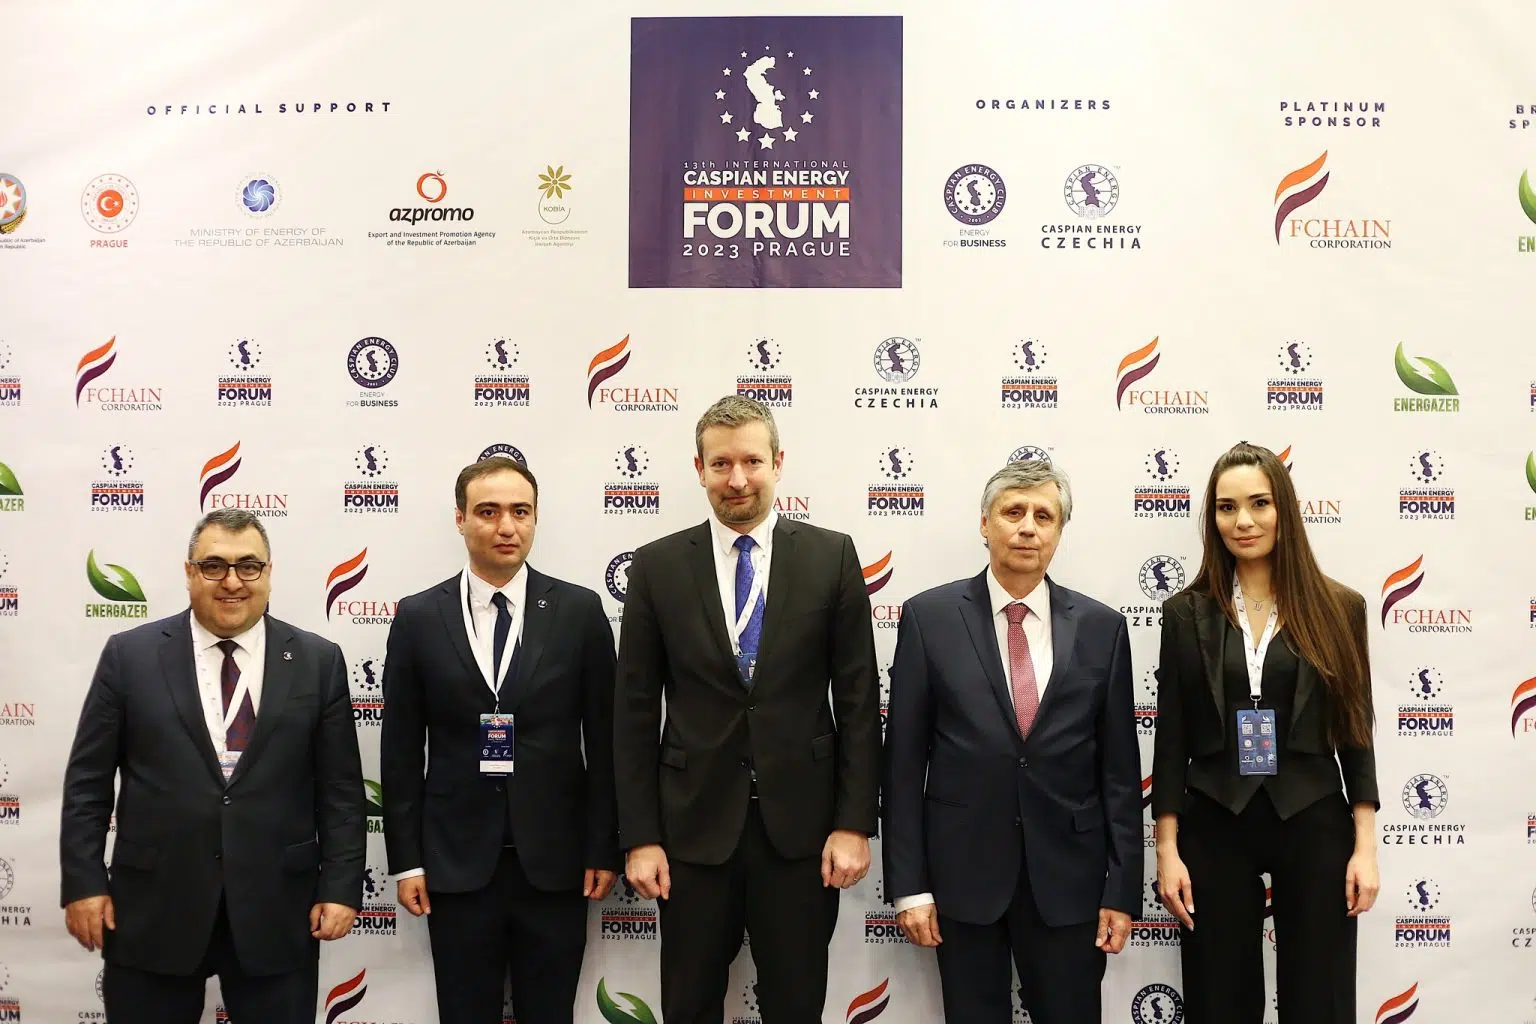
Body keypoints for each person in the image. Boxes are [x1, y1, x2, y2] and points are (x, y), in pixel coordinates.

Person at [613, 395, 881, 1024]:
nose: (738, 479)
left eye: (752, 462)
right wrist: (641, 837)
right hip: (691, 833)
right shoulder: (656, 567)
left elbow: (859, 701)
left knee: (796, 1006)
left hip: (802, 834)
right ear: (699, 469)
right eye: (721, 464)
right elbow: (632, 713)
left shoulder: (832, 556)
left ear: (778, 463)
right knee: (688, 1006)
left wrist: (853, 824)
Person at [59, 508, 365, 1024]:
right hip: (154, 908)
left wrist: (340, 887)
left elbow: (341, 791)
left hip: (277, 909)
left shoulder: (318, 660)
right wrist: (84, 881)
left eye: (248, 566)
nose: (232, 581)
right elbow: (88, 784)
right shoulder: (129, 657)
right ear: (189, 572)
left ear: (268, 573)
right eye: (213, 566)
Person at [881, 458, 1141, 1024]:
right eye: (1013, 512)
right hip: (962, 877)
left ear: (1060, 531)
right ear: (985, 523)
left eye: (1043, 516)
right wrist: (909, 887)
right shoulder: (929, 618)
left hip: (1070, 881)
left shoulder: (1103, 628)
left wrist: (1122, 890)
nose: (1028, 527)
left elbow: (1121, 775)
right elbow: (902, 765)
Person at [381, 455, 618, 1024]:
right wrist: (407, 862)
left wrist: (602, 846)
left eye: (520, 511)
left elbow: (607, 742)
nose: (506, 526)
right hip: (455, 864)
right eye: (488, 512)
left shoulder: (580, 611)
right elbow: (400, 750)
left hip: (557, 864)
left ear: (536, 518)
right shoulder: (418, 617)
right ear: (460, 519)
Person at [1151, 442, 1379, 1023]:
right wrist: (1167, 849)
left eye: (1259, 503)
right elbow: (1171, 739)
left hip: (1313, 816)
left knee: (1319, 995)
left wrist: (1365, 847)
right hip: (1214, 818)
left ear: (1285, 510)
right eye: (1227, 508)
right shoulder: (1184, 614)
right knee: (1219, 995)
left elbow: (1355, 733)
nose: (1243, 521)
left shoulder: (1340, 607)